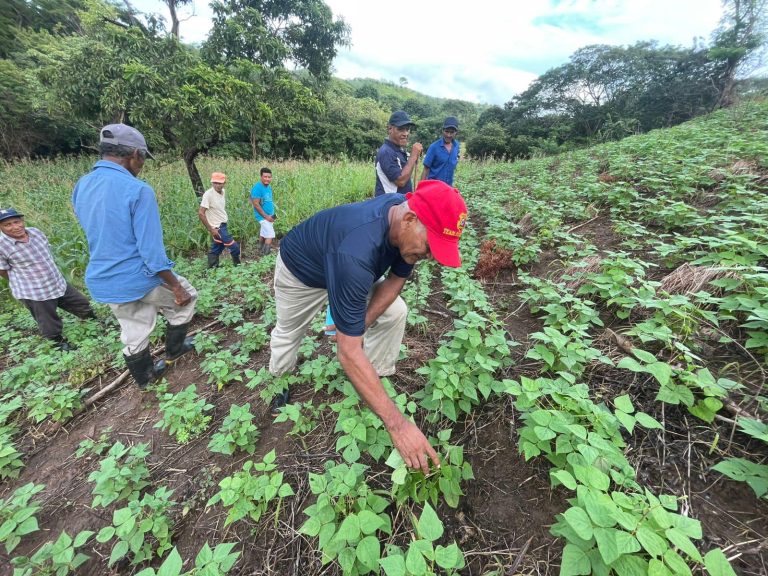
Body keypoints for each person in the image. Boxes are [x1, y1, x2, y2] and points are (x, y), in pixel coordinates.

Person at [269, 180, 468, 473]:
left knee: (395, 312)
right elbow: (346, 350)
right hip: (303, 272)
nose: (430, 256)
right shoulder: (356, 250)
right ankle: (280, 382)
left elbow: (396, 280)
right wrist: (398, 425)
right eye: (430, 247)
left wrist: (355, 325)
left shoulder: (404, 219)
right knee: (289, 332)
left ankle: (371, 377)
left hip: (346, 265)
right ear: (410, 220)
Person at [72, 124, 198, 389]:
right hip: (138, 276)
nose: (142, 165)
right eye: (143, 159)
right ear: (136, 154)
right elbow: (152, 254)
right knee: (187, 299)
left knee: (134, 326)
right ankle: (175, 351)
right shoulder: (138, 190)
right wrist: (176, 287)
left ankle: (146, 379)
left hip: (104, 278)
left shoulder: (82, 185)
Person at [0, 208, 95, 351]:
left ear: (22, 220)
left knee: (81, 304)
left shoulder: (35, 232)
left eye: (17, 221)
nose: (15, 227)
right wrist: (25, 280)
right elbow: (3, 270)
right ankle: (58, 343)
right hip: (34, 291)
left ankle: (95, 323)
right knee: (48, 322)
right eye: (8, 224)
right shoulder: (2, 246)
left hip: (56, 281)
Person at [374, 111, 423, 196]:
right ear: (390, 129)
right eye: (400, 129)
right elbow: (401, 181)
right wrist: (413, 156)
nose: (405, 134)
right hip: (388, 205)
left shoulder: (399, 150)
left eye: (407, 129)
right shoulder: (386, 152)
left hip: (399, 204)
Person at [199, 172, 241, 268]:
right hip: (218, 228)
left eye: (220, 183)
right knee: (234, 248)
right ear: (212, 183)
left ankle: (212, 269)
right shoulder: (208, 195)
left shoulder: (223, 192)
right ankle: (239, 268)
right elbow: (201, 213)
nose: (217, 185)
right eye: (215, 183)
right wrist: (211, 229)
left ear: (224, 183)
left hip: (223, 225)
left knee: (216, 248)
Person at [420, 117, 460, 186]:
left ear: (456, 132)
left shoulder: (456, 146)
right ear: (442, 130)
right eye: (446, 131)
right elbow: (426, 169)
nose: (448, 135)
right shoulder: (434, 147)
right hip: (433, 187)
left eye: (452, 132)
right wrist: (421, 188)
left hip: (448, 187)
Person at [250, 167, 276, 255]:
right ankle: (266, 254)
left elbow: (268, 201)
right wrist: (266, 216)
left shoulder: (268, 187)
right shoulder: (257, 188)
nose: (267, 179)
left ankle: (260, 248)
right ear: (261, 177)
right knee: (270, 235)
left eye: (269, 177)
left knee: (264, 232)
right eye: (265, 177)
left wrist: (272, 215)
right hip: (263, 216)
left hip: (269, 215)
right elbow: (256, 204)